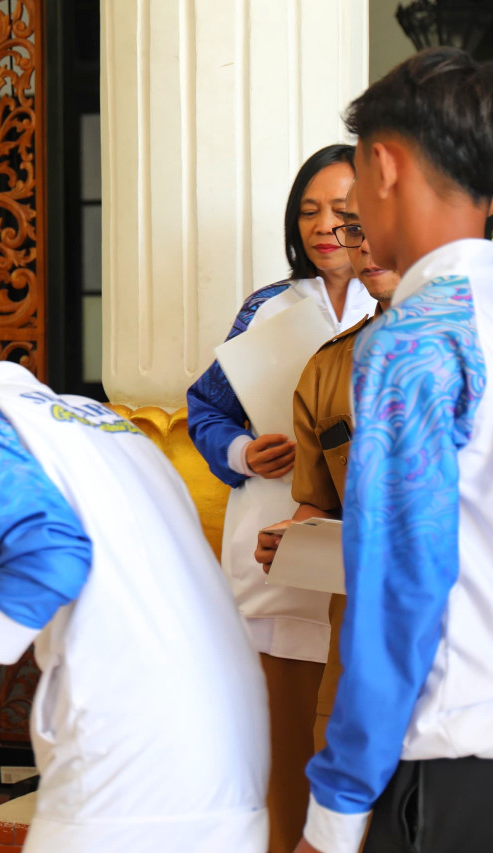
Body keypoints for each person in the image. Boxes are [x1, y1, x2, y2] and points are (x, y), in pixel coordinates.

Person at [298, 47, 493, 853]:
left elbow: (399, 585)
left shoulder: (415, 340)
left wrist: (334, 812)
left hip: (458, 755)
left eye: (357, 178)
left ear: (385, 165)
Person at [0, 339, 270, 852]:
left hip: (127, 755)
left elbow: (52, 563)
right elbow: (82, 568)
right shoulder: (100, 422)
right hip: (227, 750)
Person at [256, 184, 493, 752]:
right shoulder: (326, 369)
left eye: (373, 228)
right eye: (353, 230)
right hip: (365, 641)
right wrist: (291, 541)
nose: (364, 247)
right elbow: (319, 504)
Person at [186, 143, 376, 851]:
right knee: (283, 773)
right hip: (275, 553)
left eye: (345, 212)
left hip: (356, 565)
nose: (326, 227)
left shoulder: (393, 307)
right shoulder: (267, 308)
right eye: (310, 212)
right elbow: (205, 408)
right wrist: (242, 451)